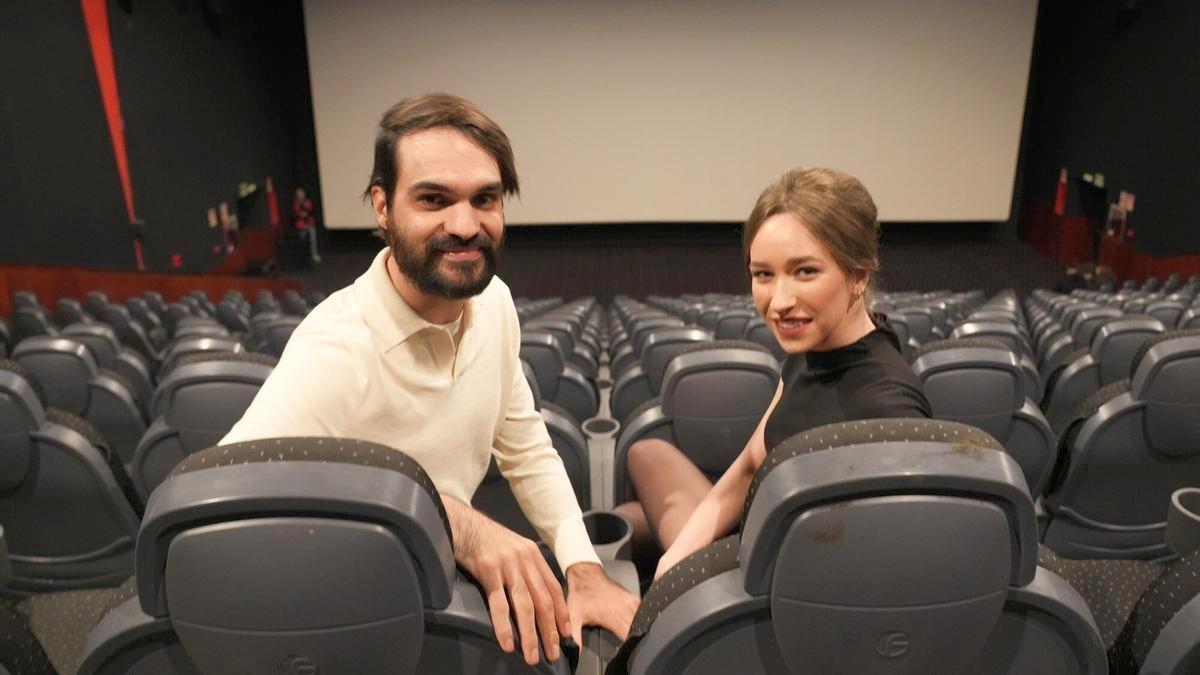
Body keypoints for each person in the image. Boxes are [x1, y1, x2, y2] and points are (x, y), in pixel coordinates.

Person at [221, 93, 638, 666]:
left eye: (484, 199)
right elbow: (216, 507)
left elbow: (523, 444)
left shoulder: (494, 303)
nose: (466, 226)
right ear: (382, 206)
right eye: (434, 199)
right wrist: (455, 519)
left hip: (437, 582)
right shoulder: (334, 350)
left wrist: (582, 567)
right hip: (351, 617)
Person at [614, 167, 932, 579]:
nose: (778, 301)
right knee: (644, 457)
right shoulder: (813, 347)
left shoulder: (887, 412)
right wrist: (671, 563)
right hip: (757, 529)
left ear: (859, 275)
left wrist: (678, 587)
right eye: (763, 274)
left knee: (630, 519)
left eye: (805, 271)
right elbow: (750, 465)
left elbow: (872, 572)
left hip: (764, 584)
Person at [292, 188, 321, 263]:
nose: (300, 195)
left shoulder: (308, 201)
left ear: (304, 194)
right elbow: (296, 213)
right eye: (298, 193)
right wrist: (300, 215)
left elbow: (310, 210)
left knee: (313, 237)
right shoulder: (296, 203)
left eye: (301, 193)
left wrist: (306, 213)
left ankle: (314, 255)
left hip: (309, 223)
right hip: (301, 225)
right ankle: (302, 255)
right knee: (301, 238)